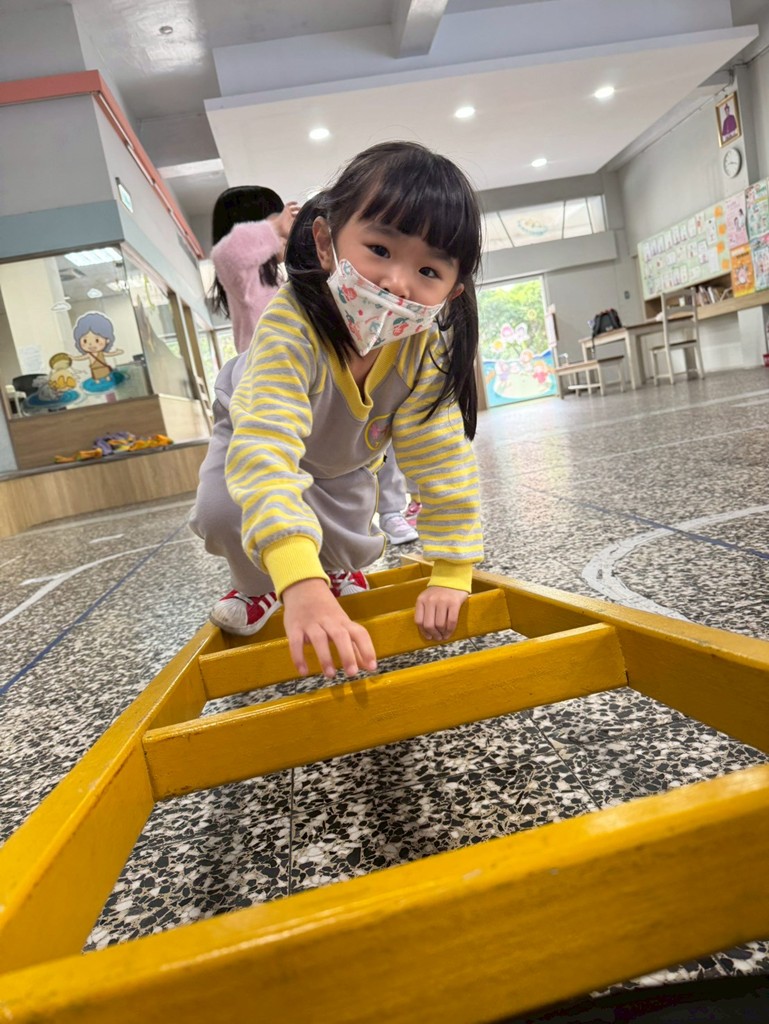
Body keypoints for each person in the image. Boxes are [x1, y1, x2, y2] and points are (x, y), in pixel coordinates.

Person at [190, 140, 484, 680]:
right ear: (326, 242)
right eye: (379, 249)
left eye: (428, 271)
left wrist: (451, 569)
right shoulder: (291, 324)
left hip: (344, 453)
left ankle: (334, 569)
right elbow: (264, 450)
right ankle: (257, 586)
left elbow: (442, 458)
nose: (398, 283)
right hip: (255, 425)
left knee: (345, 540)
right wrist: (300, 584)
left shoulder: (423, 346)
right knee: (224, 510)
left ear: (452, 290)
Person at [209, 185, 299, 354]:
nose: (285, 234)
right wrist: (275, 227)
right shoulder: (246, 281)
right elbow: (226, 254)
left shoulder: (275, 282)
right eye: (274, 223)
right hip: (267, 367)